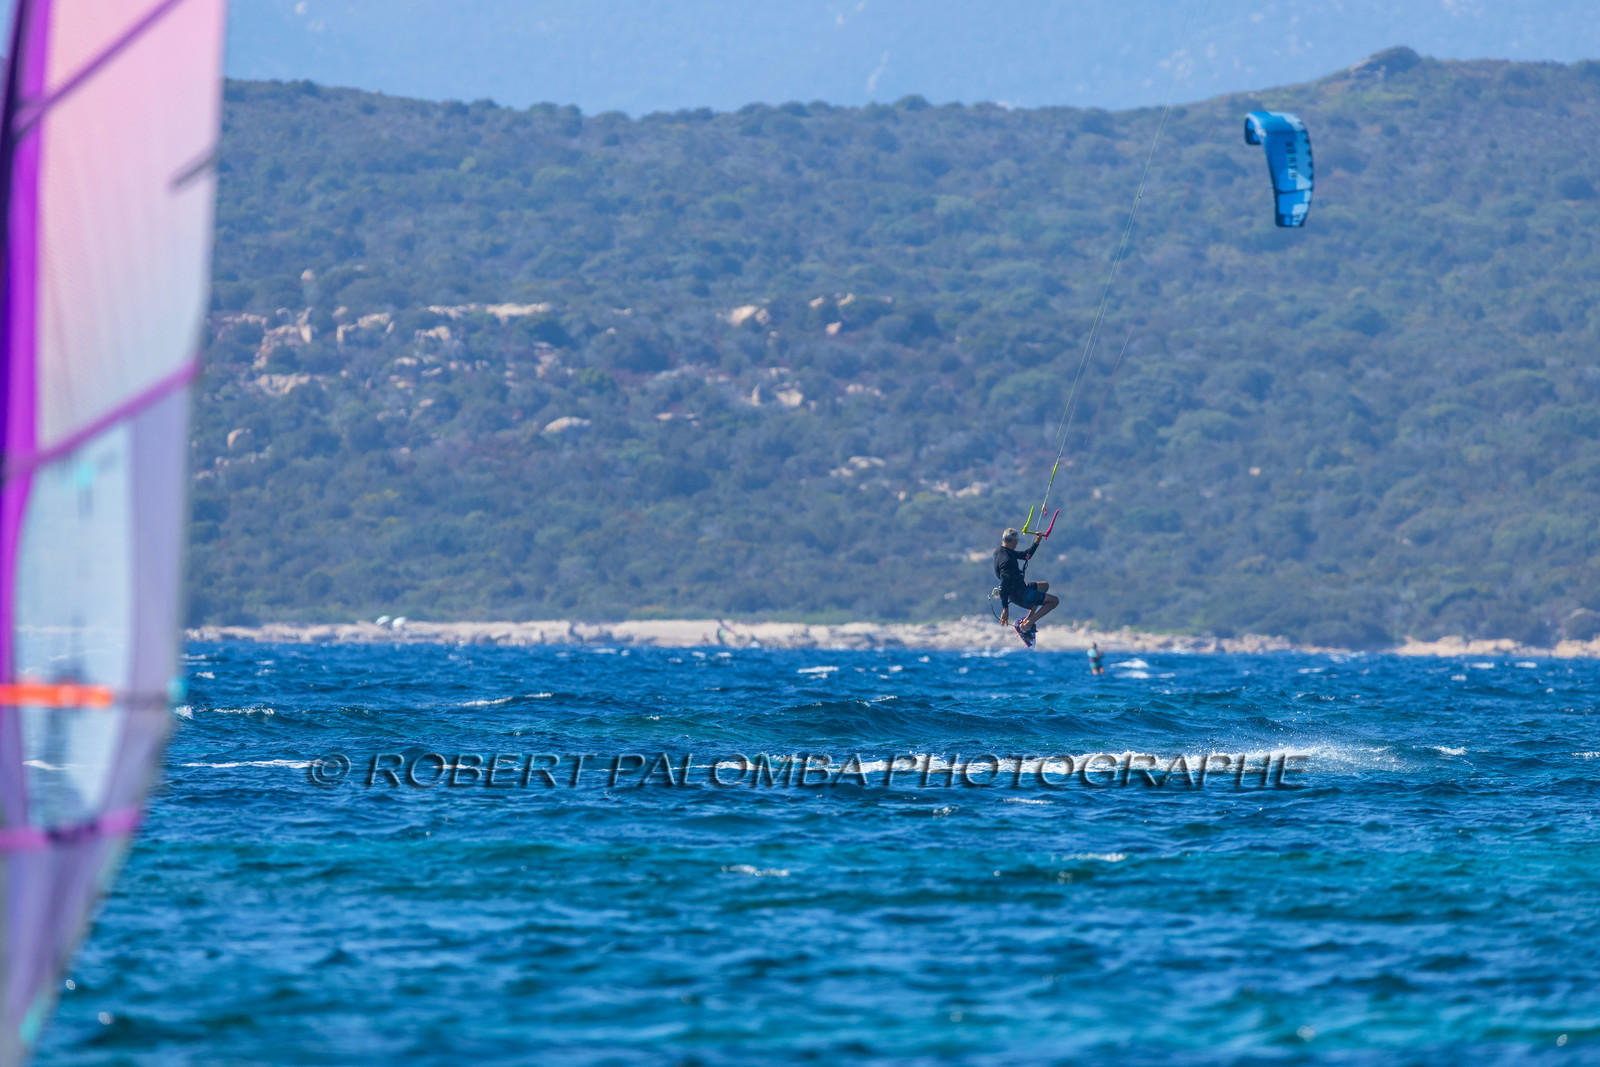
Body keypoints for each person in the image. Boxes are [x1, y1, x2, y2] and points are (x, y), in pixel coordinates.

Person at [993, 527, 1059, 648]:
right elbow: (1003, 586)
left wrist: (1036, 542)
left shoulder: (1000, 551)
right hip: (1020, 594)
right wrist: (1005, 609)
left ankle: (1026, 621)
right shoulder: (1007, 561)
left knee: (1044, 586)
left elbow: (1025, 555)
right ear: (1014, 542)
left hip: (1020, 587)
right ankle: (1026, 625)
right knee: (1054, 601)